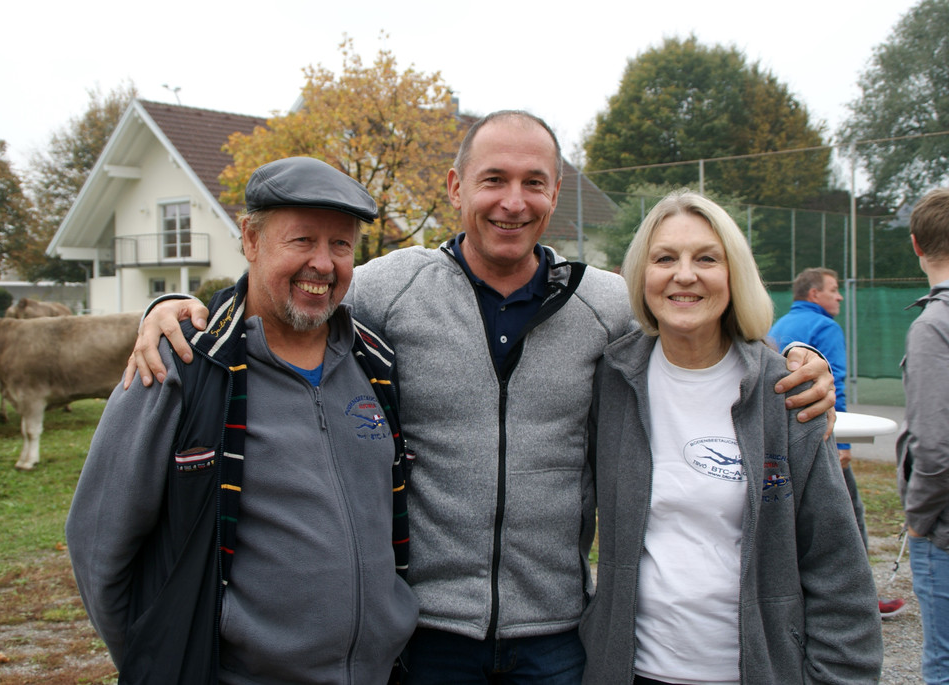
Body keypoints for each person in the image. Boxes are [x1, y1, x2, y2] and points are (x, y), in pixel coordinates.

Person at [127, 112, 836, 684]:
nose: (513, 201)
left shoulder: (608, 306)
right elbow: (292, 290)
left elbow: (699, 330)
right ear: (456, 185)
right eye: (493, 178)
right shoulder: (387, 288)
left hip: (557, 636)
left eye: (534, 182)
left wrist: (794, 359)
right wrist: (179, 305)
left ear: (556, 193)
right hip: (426, 636)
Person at [65, 157, 418, 684]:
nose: (323, 264)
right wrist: (161, 660)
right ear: (251, 240)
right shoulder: (183, 365)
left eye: (340, 244)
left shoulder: (377, 364)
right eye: (301, 241)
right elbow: (98, 545)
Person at [581, 191, 882, 684]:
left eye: (706, 258)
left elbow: (838, 568)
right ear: (641, 275)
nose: (684, 274)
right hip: (630, 671)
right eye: (664, 258)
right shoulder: (610, 380)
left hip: (756, 671)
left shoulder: (787, 391)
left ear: (732, 274)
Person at [769, 269, 905, 618]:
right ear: (815, 295)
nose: (840, 296)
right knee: (848, 515)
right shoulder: (825, 327)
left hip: (780, 438)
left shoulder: (780, 323)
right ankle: (863, 600)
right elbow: (832, 384)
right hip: (820, 436)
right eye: (834, 290)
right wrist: (840, 442)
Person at [897, 187, 949, 685]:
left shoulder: (934, 325)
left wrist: (917, 519)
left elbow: (934, 448)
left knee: (943, 661)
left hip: (943, 530)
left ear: (916, 244)